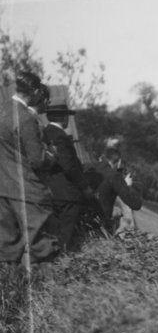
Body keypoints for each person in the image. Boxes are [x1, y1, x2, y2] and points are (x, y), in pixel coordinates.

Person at [0, 71, 60, 265]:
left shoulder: (3, 110)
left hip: (3, 189)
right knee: (42, 244)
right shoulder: (26, 118)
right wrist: (52, 156)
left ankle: (11, 291)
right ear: (34, 91)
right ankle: (49, 291)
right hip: (27, 188)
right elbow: (37, 160)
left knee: (7, 246)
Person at [40, 85, 93, 251]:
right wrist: (85, 187)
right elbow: (69, 166)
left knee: (55, 232)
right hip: (67, 193)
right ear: (63, 117)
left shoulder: (44, 132)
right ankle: (63, 264)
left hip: (51, 190)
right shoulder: (61, 137)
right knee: (66, 235)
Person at [86, 146, 142, 235]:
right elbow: (135, 204)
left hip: (84, 216)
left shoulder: (89, 167)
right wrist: (128, 186)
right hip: (100, 222)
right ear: (118, 162)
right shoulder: (114, 176)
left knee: (117, 211)